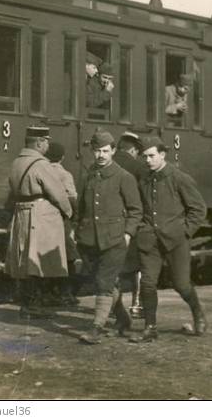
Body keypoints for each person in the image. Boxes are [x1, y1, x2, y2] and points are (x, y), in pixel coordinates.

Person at [128, 136, 208, 343]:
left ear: (162, 155)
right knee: (147, 283)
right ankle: (150, 328)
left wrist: (185, 232)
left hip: (175, 240)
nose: (147, 160)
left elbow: (198, 209)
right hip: (149, 240)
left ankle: (198, 313)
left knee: (181, 285)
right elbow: (138, 207)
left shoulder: (179, 178)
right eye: (144, 157)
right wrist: (141, 228)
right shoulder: (143, 178)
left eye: (151, 156)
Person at [75, 130, 143, 344]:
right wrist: (75, 230)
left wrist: (128, 233)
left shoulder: (124, 177)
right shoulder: (88, 175)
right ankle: (122, 318)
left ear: (113, 151)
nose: (101, 155)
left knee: (104, 283)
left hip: (114, 239)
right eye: (97, 151)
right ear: (92, 151)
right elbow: (81, 208)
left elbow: (136, 210)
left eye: (105, 151)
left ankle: (96, 328)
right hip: (89, 239)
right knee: (101, 281)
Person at [5, 125, 73, 318]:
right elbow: (58, 193)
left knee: (25, 260)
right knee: (39, 260)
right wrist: (69, 212)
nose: (47, 146)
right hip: (41, 215)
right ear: (39, 142)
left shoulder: (16, 162)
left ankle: (27, 304)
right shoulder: (41, 164)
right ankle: (34, 306)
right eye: (46, 142)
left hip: (22, 213)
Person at [112, 131, 145, 317]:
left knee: (112, 265)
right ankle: (136, 305)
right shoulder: (138, 166)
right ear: (134, 150)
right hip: (131, 222)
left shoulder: (105, 163)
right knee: (136, 265)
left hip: (110, 223)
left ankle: (114, 307)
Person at [45, 141, 80, 307]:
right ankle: (66, 293)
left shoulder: (42, 171)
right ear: (62, 157)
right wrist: (75, 219)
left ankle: (49, 293)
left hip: (45, 219)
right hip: (62, 220)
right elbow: (72, 199)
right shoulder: (65, 175)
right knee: (69, 256)